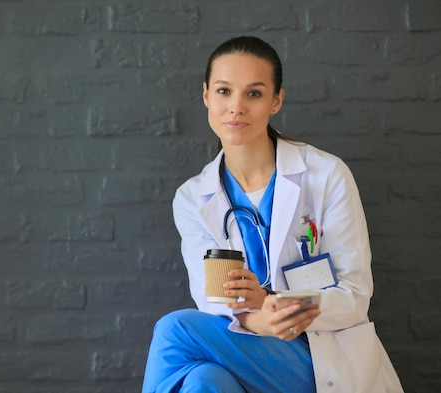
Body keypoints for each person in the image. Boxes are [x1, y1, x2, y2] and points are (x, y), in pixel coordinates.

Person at [141, 36, 403, 393]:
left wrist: (276, 305)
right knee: (204, 381)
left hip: (320, 355)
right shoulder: (192, 198)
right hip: (248, 345)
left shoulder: (325, 174)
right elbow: (212, 299)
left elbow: (355, 295)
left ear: (276, 100)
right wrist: (258, 319)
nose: (235, 107)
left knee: (175, 331)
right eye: (223, 91)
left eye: (253, 93)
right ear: (205, 96)